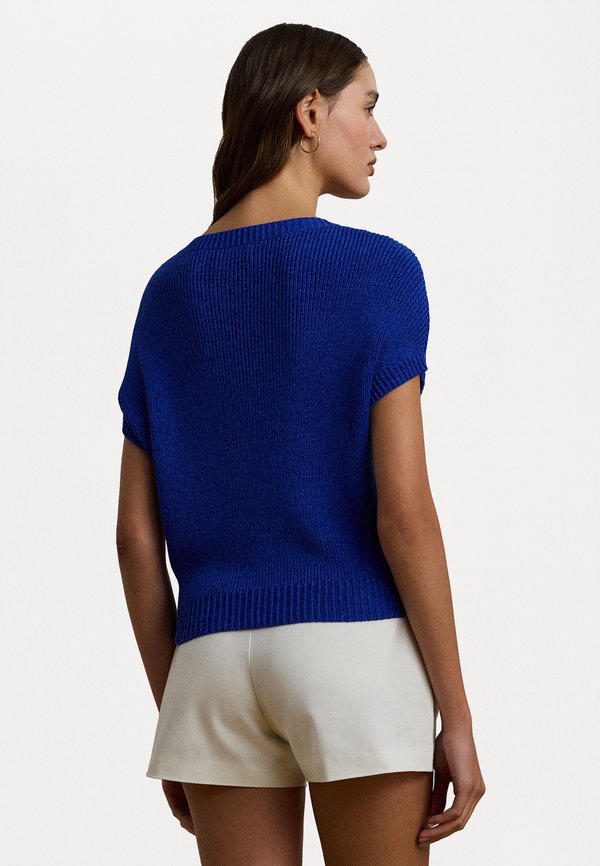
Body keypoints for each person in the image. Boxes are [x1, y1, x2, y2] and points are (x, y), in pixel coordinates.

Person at [116, 22, 485, 866]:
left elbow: (136, 537)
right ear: (310, 112)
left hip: (210, 662)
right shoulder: (380, 271)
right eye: (369, 106)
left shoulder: (168, 292)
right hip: (352, 647)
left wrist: (179, 706)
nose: (381, 135)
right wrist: (457, 717)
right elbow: (404, 515)